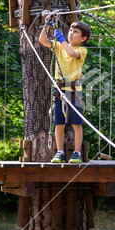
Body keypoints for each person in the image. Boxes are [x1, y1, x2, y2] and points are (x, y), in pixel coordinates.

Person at [39, 14, 90, 163]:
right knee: (58, 123)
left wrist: (61, 40)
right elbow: (42, 40)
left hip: (75, 91)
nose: (71, 33)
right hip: (60, 91)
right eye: (71, 31)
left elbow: (71, 53)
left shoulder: (82, 50)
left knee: (76, 123)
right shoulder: (59, 46)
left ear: (83, 39)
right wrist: (47, 25)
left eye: (75, 32)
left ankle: (76, 153)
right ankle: (60, 151)